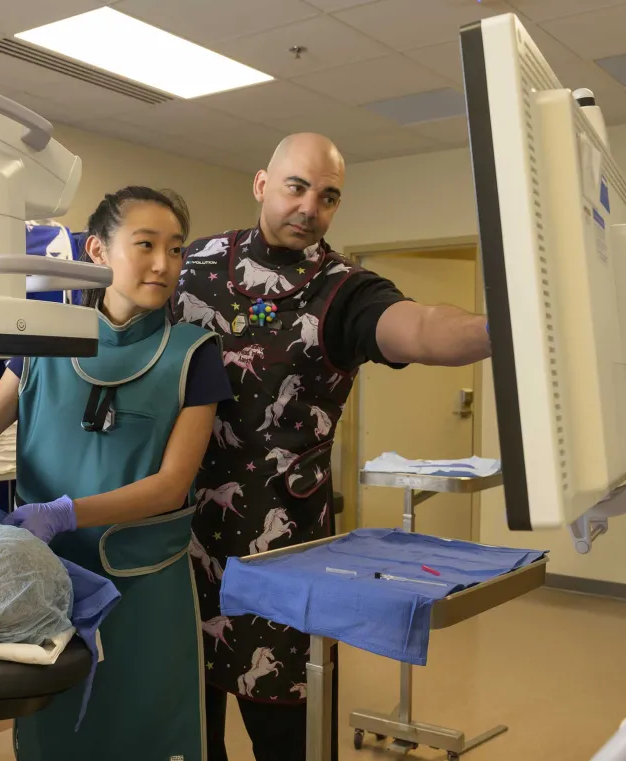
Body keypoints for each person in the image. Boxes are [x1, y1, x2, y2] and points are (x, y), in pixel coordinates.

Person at [170, 133, 492, 761]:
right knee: (189, 725)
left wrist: (498, 330)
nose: (309, 208)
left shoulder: (344, 290)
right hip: (178, 537)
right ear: (262, 183)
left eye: (329, 196)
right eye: (296, 186)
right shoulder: (195, 264)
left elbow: (421, 327)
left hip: (287, 547)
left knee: (286, 730)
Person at [0, 186, 235, 761]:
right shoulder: (44, 341)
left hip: (143, 584)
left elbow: (170, 485)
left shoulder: (194, 353)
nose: (164, 264)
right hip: (44, 579)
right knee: (56, 733)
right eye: (145, 244)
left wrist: (65, 513)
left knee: (145, 728)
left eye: (176, 249)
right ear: (98, 250)